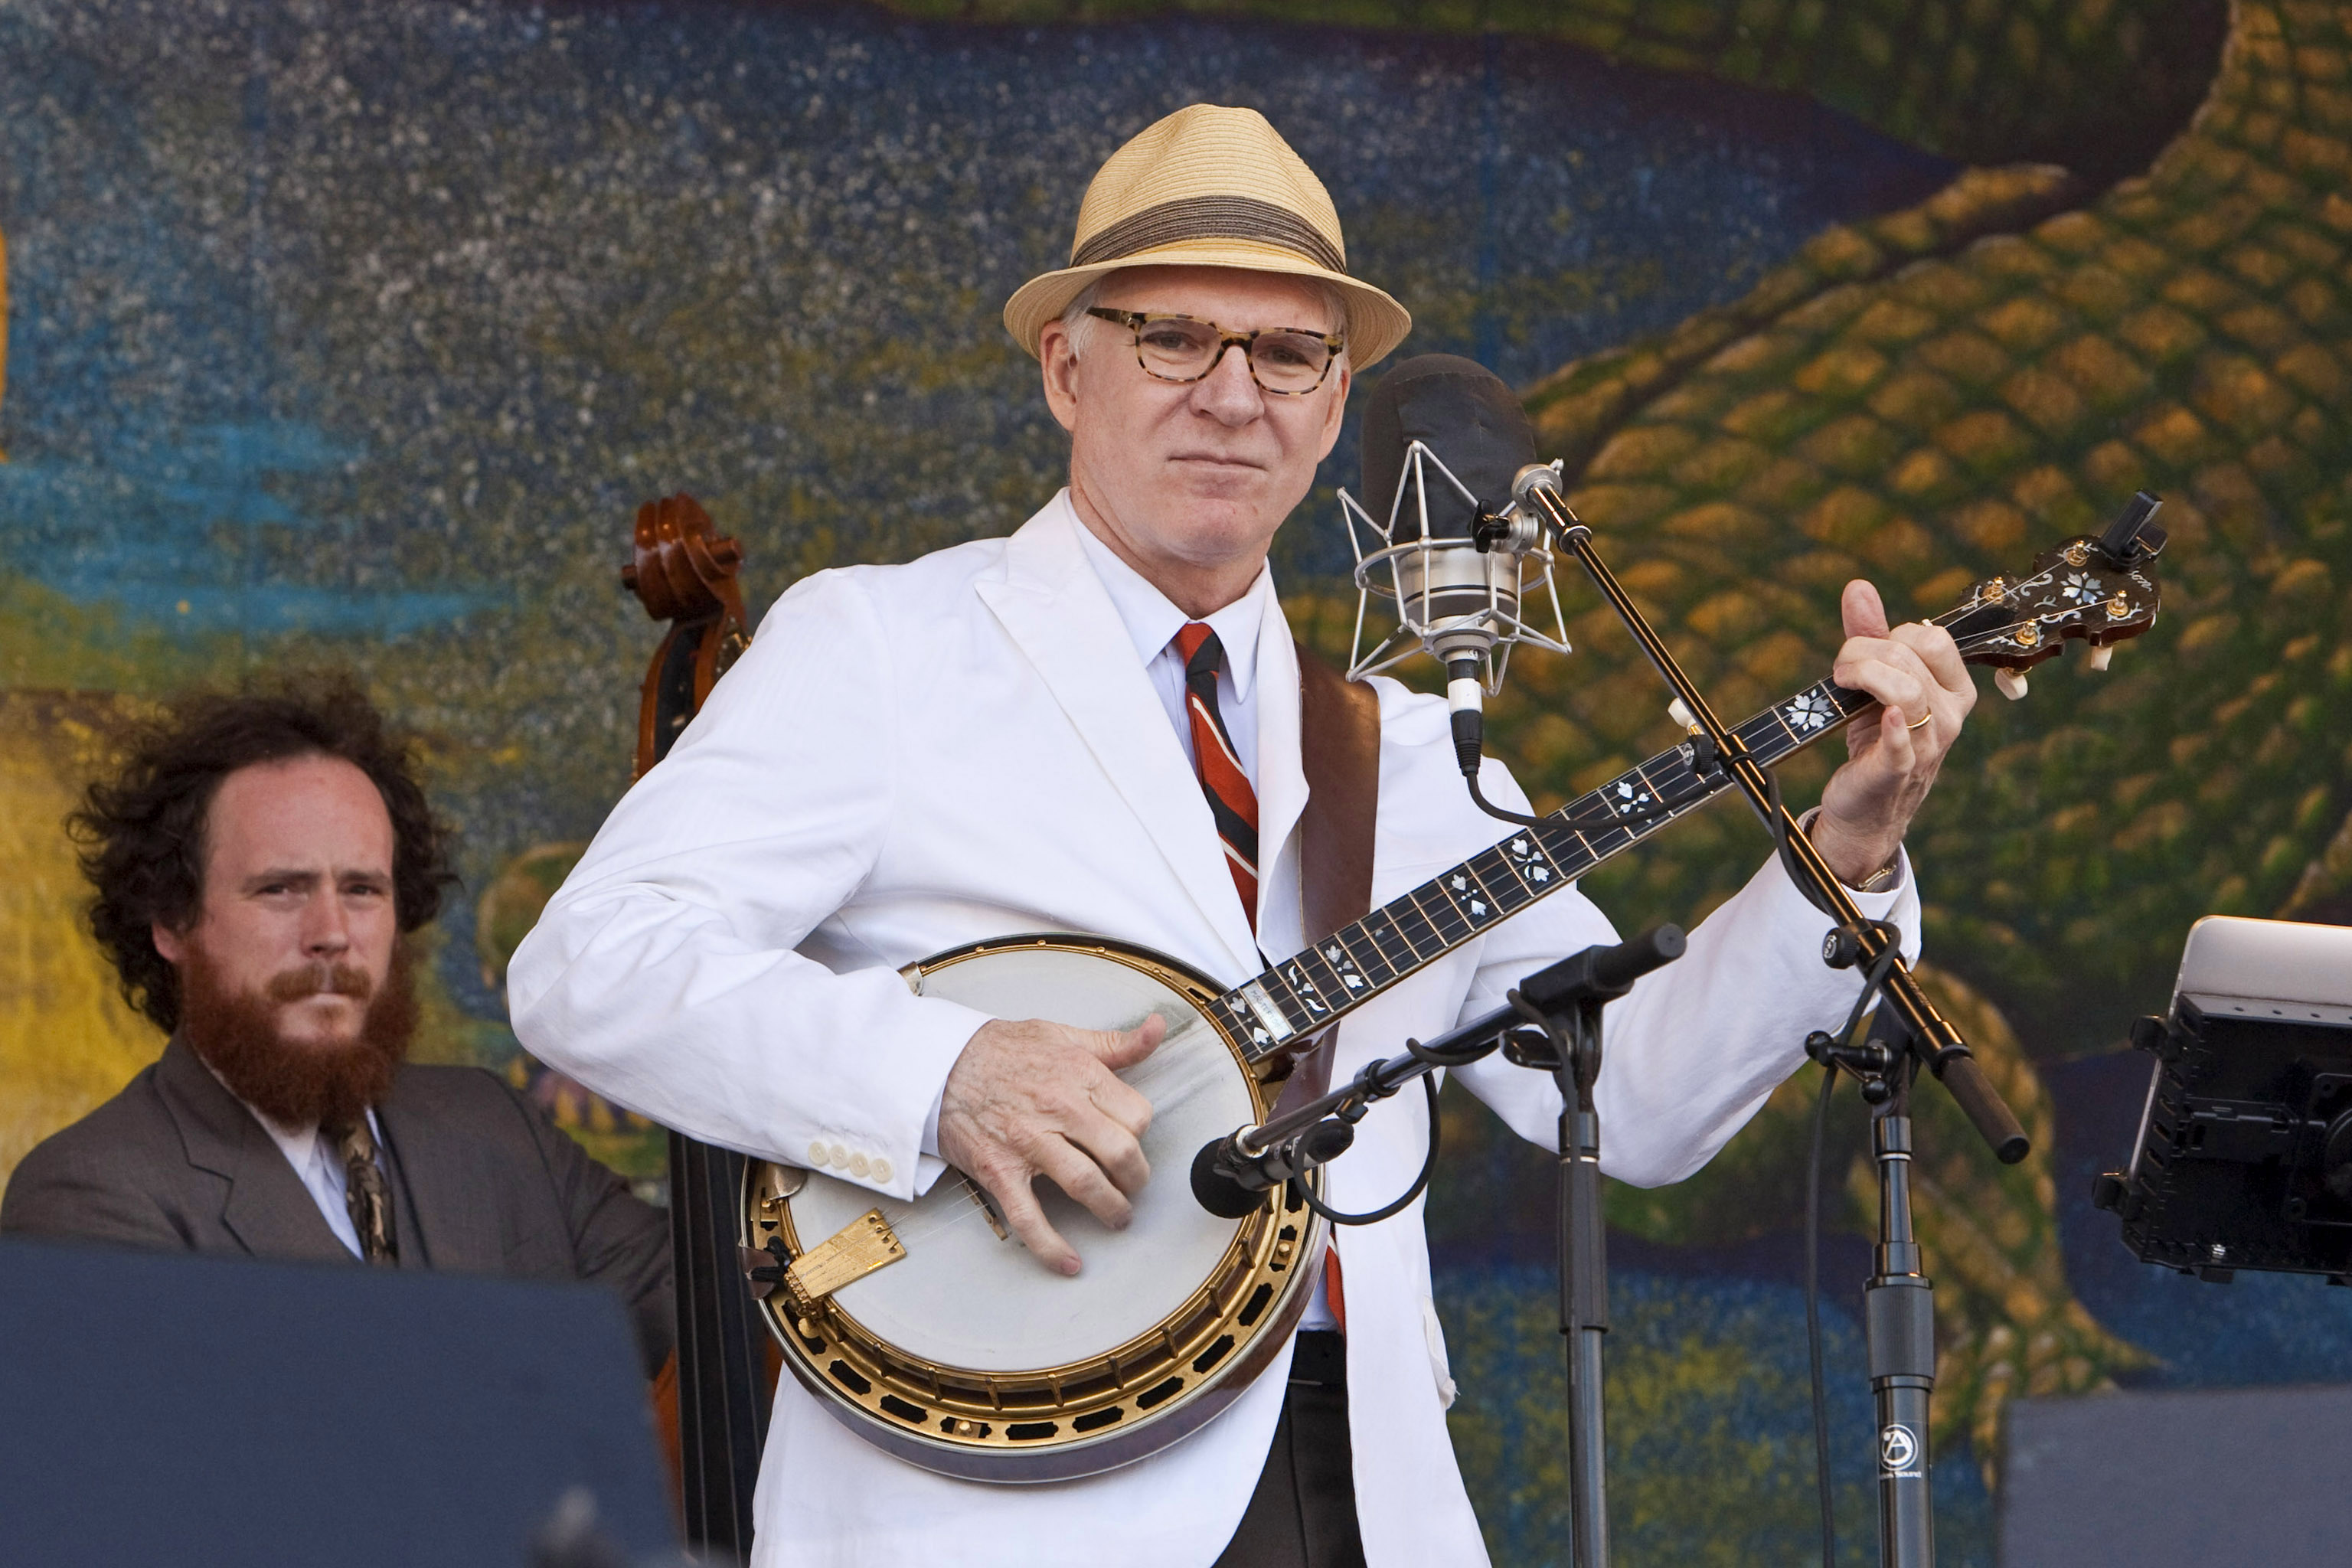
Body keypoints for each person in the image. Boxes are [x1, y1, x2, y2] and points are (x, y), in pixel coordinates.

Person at [508, 105, 1976, 1566]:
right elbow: (593, 964)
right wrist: (938, 1072)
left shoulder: (1402, 753)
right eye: (1174, 337)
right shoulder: (884, 644)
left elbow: (1638, 1097)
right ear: (1063, 365)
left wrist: (1842, 854)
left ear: (1335, 405)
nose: (1233, 394)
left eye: (1287, 354)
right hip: (997, 1501)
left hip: (1359, 1489)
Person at [1, 678, 675, 1377]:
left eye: (362, 890)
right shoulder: (88, 1194)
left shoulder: (498, 1126)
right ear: (172, 920)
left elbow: (725, 1324)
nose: (331, 934)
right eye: (280, 889)